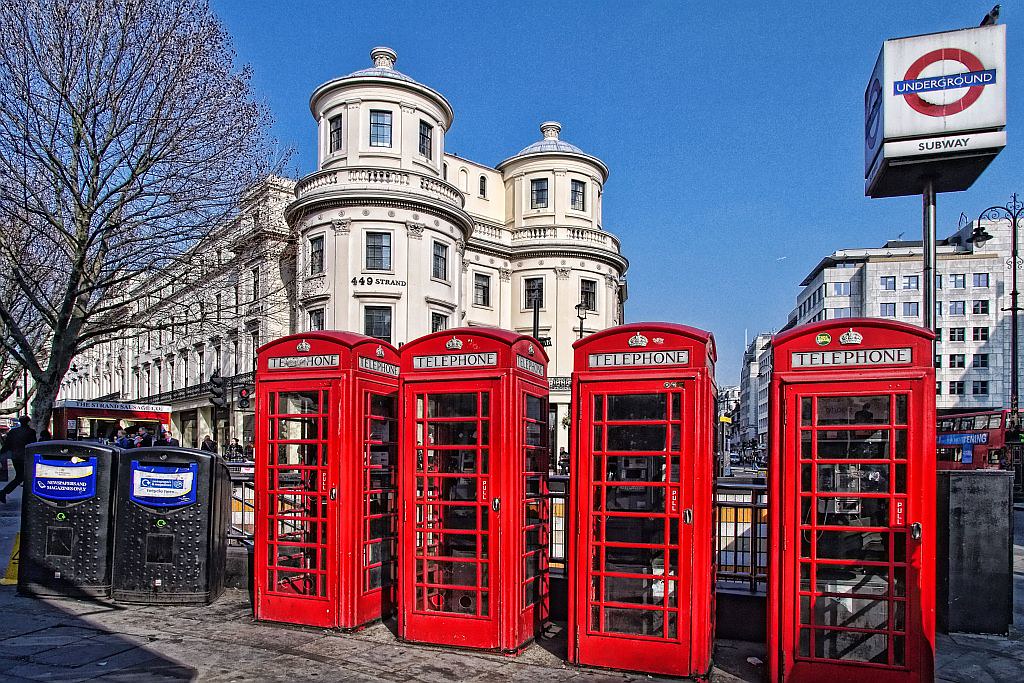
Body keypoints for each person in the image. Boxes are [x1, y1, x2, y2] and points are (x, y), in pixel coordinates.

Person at [1, 415, 37, 504]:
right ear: (28, 422)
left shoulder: (13, 432)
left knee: (21, 476)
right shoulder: (30, 432)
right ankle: (4, 492)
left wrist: (2, 453)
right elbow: (33, 445)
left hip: (15, 457)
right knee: (24, 476)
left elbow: (7, 445)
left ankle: (4, 492)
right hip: (25, 457)